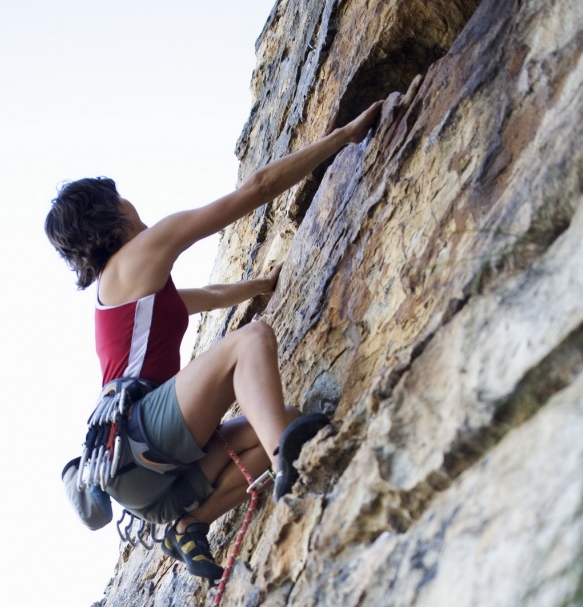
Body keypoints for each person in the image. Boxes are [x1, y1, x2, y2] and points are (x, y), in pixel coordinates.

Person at [46, 101, 382, 581]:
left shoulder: (122, 292)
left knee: (284, 417)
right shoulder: (141, 252)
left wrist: (260, 286)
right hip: (140, 435)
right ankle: (290, 456)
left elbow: (199, 298)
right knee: (251, 342)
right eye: (120, 198)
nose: (129, 202)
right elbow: (257, 189)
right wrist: (342, 136)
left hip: (149, 485)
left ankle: (190, 524)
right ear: (111, 214)